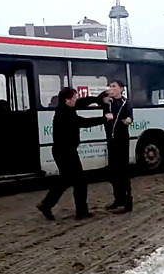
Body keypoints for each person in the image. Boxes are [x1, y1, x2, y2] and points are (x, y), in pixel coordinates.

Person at [37, 87, 113, 220]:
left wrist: (98, 99)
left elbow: (82, 102)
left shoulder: (67, 107)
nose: (76, 100)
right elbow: (83, 122)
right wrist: (104, 118)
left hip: (64, 151)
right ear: (67, 100)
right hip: (65, 152)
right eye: (74, 97)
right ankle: (81, 212)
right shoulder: (64, 114)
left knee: (65, 180)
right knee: (80, 182)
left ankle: (46, 205)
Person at [102, 80, 134, 213]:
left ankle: (127, 202)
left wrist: (128, 121)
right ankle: (118, 199)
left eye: (114, 86)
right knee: (113, 172)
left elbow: (130, 117)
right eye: (110, 86)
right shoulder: (108, 103)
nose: (111, 89)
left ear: (121, 89)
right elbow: (105, 117)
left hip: (122, 140)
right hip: (112, 140)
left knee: (123, 171)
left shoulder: (125, 103)